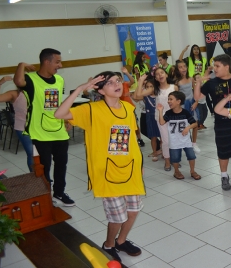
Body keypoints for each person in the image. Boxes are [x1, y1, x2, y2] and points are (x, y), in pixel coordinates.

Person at [55, 72, 145, 263]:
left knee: (133, 211)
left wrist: (140, 164)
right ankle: (109, 244)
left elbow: (131, 140)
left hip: (130, 169)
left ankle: (121, 241)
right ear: (100, 89)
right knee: (117, 217)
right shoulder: (91, 109)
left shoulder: (128, 108)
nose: (116, 84)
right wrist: (80, 88)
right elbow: (59, 114)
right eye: (110, 83)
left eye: (118, 81)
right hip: (106, 172)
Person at [13, 48, 75, 206]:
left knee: (62, 164)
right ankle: (45, 194)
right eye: (57, 62)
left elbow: (59, 102)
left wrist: (67, 119)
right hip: (39, 133)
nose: (60, 65)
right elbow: (18, 82)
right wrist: (21, 64)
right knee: (44, 167)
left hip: (59, 131)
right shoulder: (31, 79)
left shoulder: (59, 80)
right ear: (46, 62)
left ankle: (59, 193)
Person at [194, 54, 231, 191]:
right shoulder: (212, 83)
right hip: (222, 123)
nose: (215, 69)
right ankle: (224, 176)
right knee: (223, 150)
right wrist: (199, 81)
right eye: (214, 66)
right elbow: (197, 97)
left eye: (217, 66)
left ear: (227, 66)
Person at [135, 68, 178, 172]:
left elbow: (178, 102)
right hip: (161, 118)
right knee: (166, 141)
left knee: (174, 141)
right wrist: (140, 81)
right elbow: (137, 95)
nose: (160, 75)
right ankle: (167, 162)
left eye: (162, 73)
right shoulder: (155, 89)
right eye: (157, 74)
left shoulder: (174, 87)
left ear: (166, 74)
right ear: (156, 78)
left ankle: (174, 160)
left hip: (174, 118)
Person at [157, 91, 201, 180]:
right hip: (174, 140)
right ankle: (176, 171)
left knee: (191, 156)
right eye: (168, 99)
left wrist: (188, 128)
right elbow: (161, 122)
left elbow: (195, 123)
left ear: (178, 101)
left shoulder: (185, 112)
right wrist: (160, 111)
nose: (168, 101)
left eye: (171, 99)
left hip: (186, 140)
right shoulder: (169, 113)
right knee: (175, 158)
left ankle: (192, 171)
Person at [0, 76, 33, 172]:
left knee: (40, 154)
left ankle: (39, 176)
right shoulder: (15, 94)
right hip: (22, 128)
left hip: (37, 127)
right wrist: (0, 83)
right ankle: (34, 176)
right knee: (32, 154)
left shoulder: (35, 93)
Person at [172, 60, 200, 153]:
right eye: (180, 67)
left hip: (192, 103)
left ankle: (194, 143)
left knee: (195, 123)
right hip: (183, 105)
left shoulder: (191, 78)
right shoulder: (177, 82)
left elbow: (195, 91)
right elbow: (176, 96)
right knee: (184, 125)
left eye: (184, 66)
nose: (183, 68)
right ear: (177, 69)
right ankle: (184, 143)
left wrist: (196, 102)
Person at [179, 44, 212, 115]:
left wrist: (205, 79)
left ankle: (210, 112)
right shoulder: (189, 59)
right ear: (192, 51)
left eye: (197, 49)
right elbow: (180, 60)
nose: (196, 50)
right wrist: (183, 51)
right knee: (196, 100)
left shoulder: (204, 59)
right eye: (194, 49)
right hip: (192, 82)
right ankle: (197, 117)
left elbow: (206, 70)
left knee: (205, 98)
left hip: (201, 82)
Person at [138, 78, 162, 161]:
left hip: (160, 117)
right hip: (150, 118)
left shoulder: (160, 95)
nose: (149, 88)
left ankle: (163, 151)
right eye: (147, 87)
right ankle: (155, 152)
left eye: (151, 86)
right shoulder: (145, 97)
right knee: (153, 137)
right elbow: (136, 96)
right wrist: (140, 84)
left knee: (162, 137)